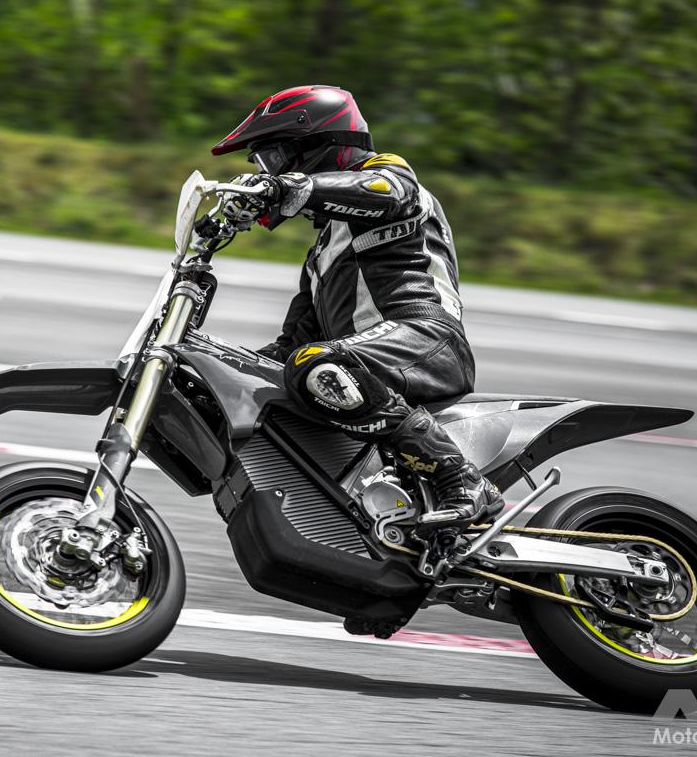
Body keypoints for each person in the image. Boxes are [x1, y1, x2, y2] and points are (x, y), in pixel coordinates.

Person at [211, 84, 503, 530]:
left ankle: (461, 479)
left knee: (314, 363)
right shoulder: (321, 254)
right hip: (365, 360)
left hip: (425, 338)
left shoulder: (390, 176)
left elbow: (385, 191)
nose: (268, 171)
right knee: (287, 366)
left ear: (316, 144)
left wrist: (289, 186)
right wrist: (222, 368)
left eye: (273, 158)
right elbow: (288, 348)